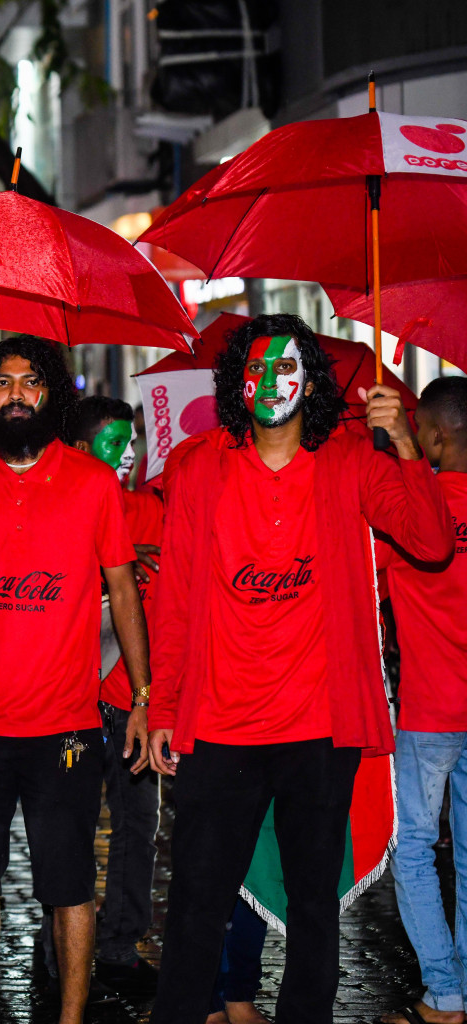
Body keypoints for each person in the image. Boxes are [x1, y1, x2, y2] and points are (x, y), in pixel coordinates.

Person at [145, 313, 453, 1023]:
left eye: (288, 368)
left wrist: (404, 443)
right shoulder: (198, 468)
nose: (271, 382)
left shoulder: (350, 461)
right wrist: (163, 709)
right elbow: (176, 600)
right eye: (257, 368)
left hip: (317, 730)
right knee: (196, 904)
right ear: (237, 382)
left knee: (316, 912)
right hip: (219, 729)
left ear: (309, 381)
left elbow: (432, 542)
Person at [0, 335, 149, 1024]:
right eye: (2, 382)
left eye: (30, 382)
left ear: (51, 395)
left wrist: (142, 695)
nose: (15, 393)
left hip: (66, 729)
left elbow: (124, 591)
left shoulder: (93, 482)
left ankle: (70, 1018)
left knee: (70, 886)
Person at [66, 394, 163, 996]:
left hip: (133, 702)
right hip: (73, 699)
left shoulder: (151, 509)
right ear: (80, 449)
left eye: (133, 442)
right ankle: (63, 952)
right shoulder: (64, 506)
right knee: (69, 828)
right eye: (114, 443)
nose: (128, 454)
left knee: (139, 826)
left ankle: (122, 944)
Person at [378, 376, 467, 1024]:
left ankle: (444, 991)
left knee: (411, 848)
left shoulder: (412, 505)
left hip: (429, 709)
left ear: (434, 436)